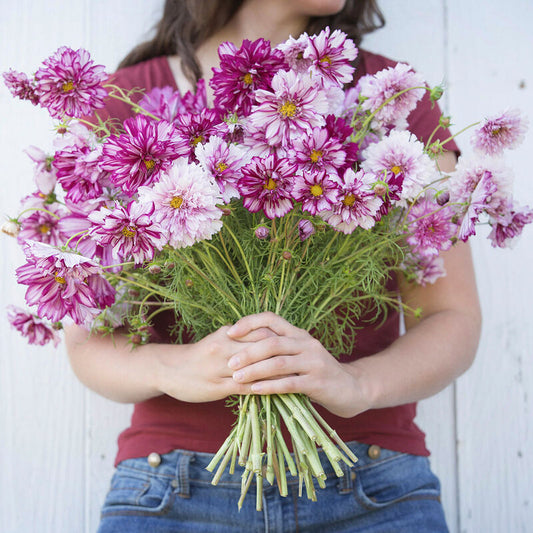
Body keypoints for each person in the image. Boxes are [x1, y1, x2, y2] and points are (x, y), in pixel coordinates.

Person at [65, 0, 482, 531]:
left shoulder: (392, 102)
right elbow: (86, 341)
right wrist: (176, 367)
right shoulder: (124, 107)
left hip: (373, 484)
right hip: (176, 486)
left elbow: (453, 316)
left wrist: (356, 384)